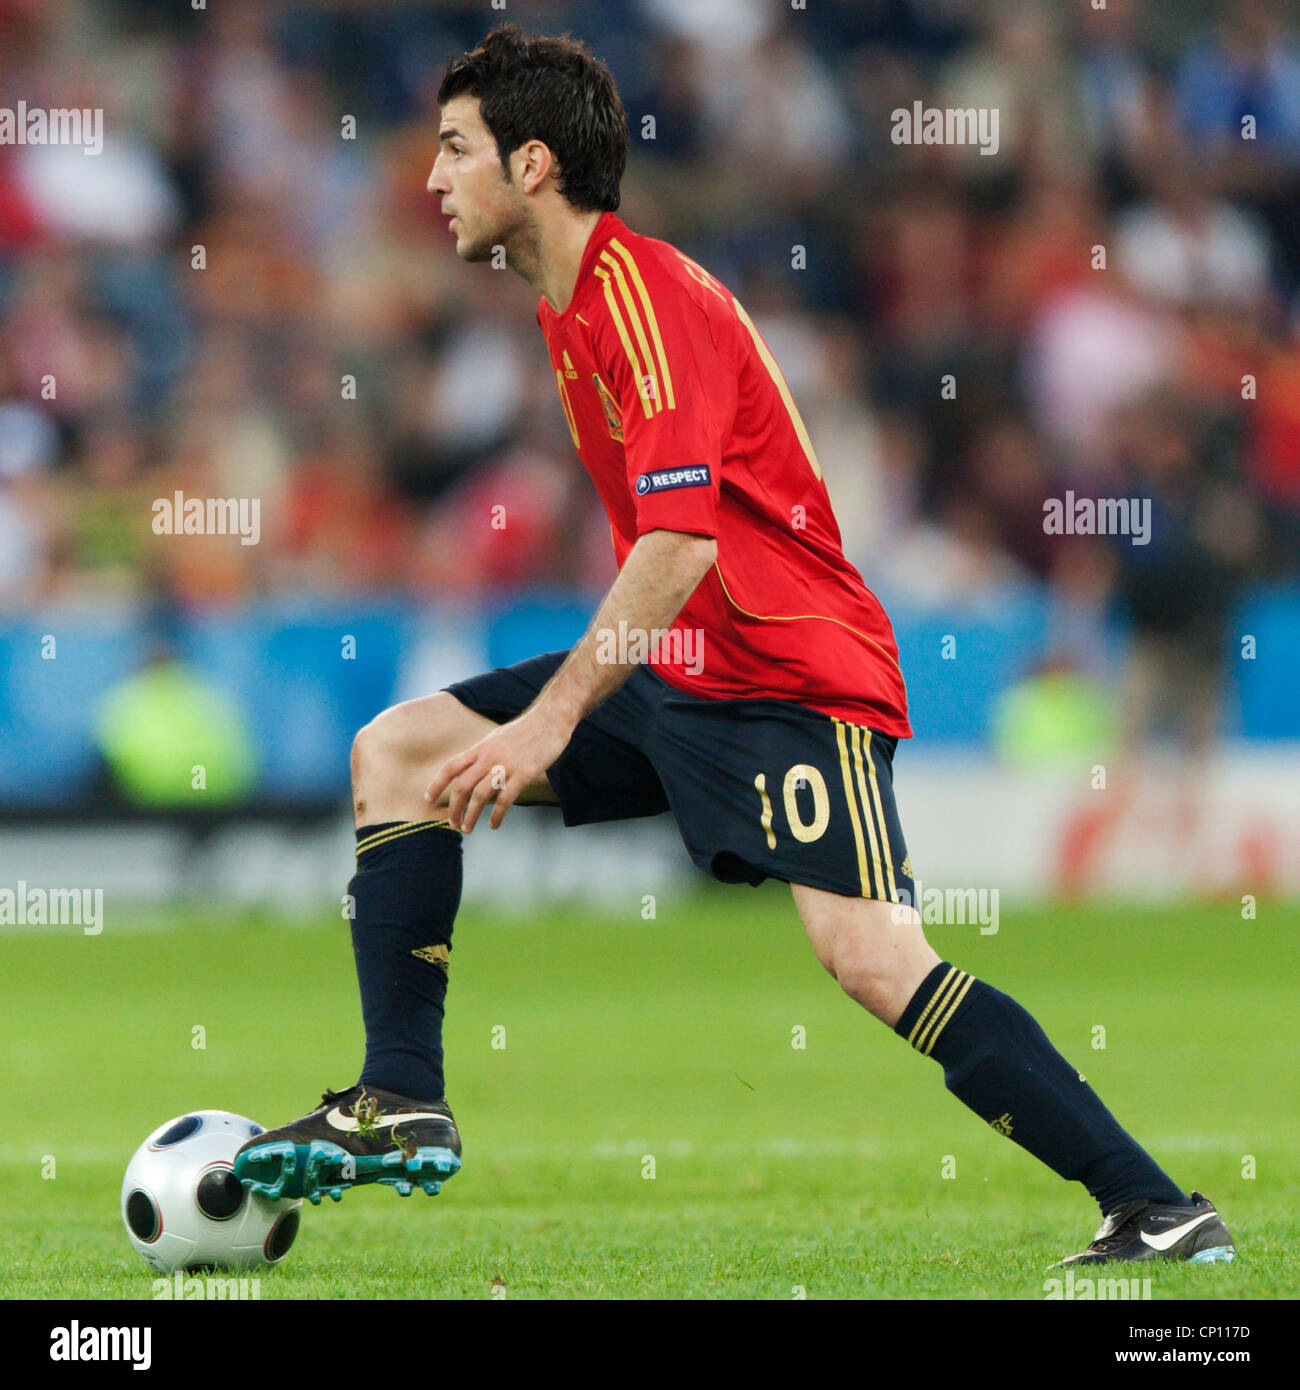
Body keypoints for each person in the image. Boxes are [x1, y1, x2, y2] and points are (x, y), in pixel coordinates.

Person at [235, 24, 1232, 1268]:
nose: (429, 177)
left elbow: (681, 542)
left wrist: (548, 721)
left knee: (868, 955)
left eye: (453, 148)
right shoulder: (566, 310)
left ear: (532, 163)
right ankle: (400, 1097)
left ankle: (1153, 1205)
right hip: (680, 669)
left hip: (786, 671)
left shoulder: (642, 296)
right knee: (399, 751)